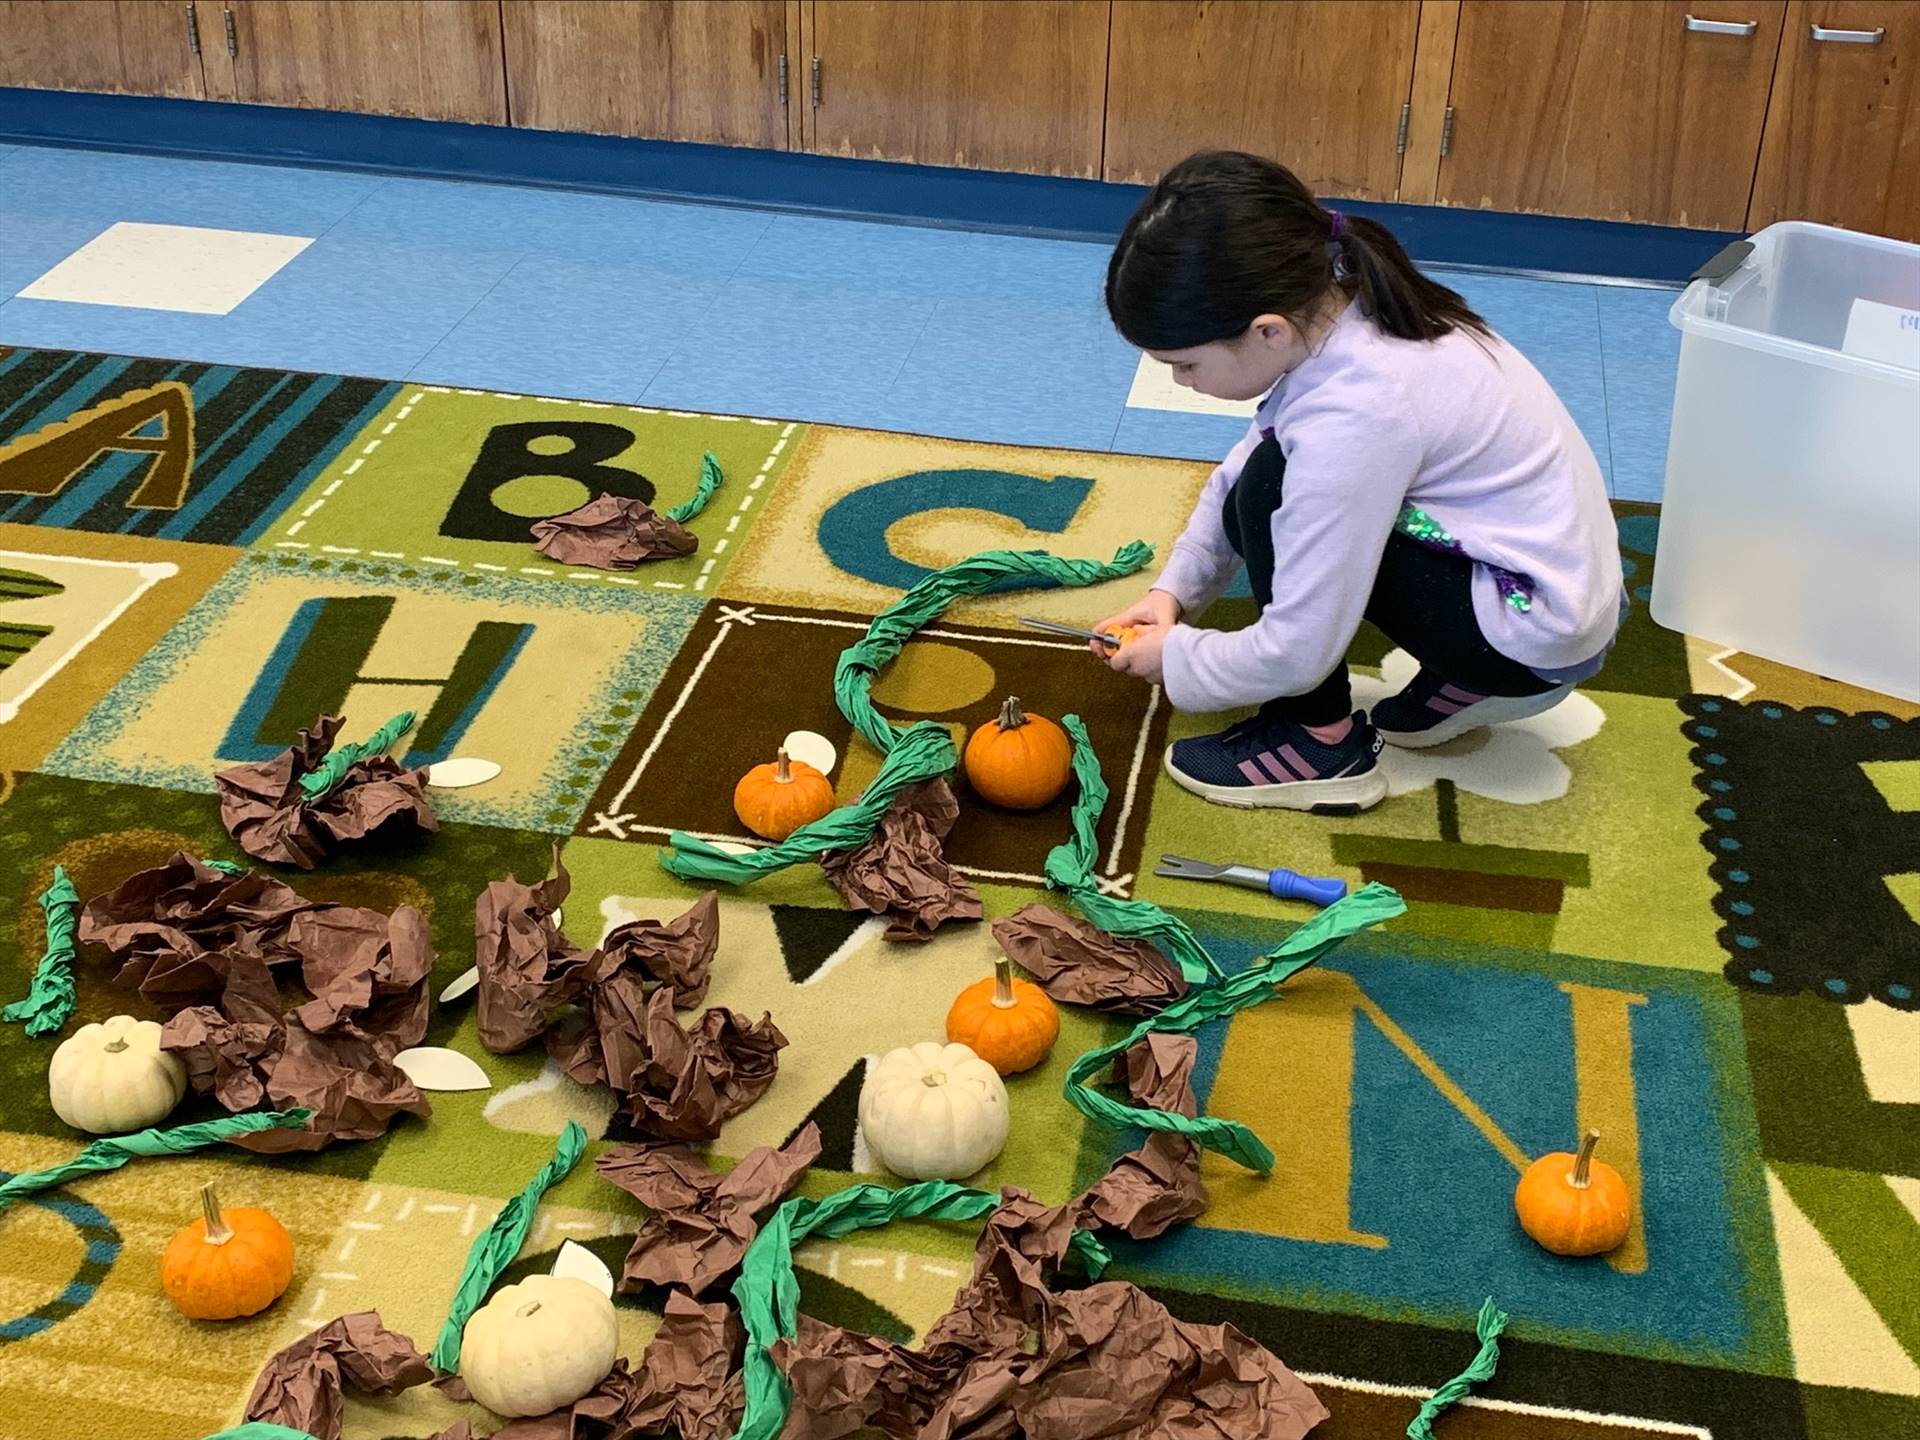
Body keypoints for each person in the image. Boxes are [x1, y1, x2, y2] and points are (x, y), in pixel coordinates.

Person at [1094, 150, 1624, 814]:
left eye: (1186, 364)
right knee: (1262, 482)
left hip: (1532, 625)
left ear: (1267, 331)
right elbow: (1249, 461)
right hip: (1564, 593)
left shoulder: (1359, 413)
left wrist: (1180, 659)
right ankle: (1477, 676)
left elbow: (1298, 651)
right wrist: (1175, 590)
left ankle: (1319, 743)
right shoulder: (1355, 307)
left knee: (1271, 493)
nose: (1181, 381)